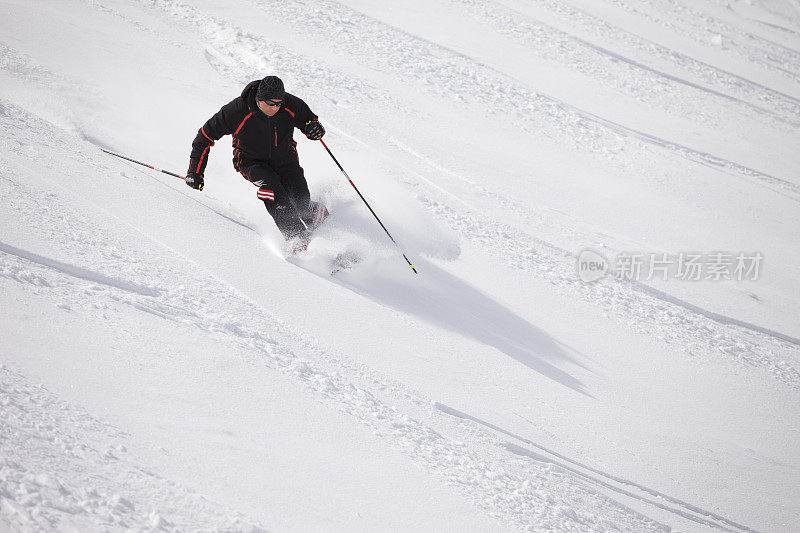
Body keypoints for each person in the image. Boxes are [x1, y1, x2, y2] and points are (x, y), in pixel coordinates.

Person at [185, 75, 328, 252]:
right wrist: (195, 172)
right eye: (270, 102)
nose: (275, 107)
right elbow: (204, 137)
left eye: (278, 103)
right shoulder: (236, 111)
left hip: (285, 159)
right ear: (259, 98)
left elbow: (309, 121)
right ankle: (296, 237)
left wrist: (314, 128)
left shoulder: (290, 104)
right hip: (250, 162)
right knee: (272, 188)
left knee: (300, 200)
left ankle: (318, 221)